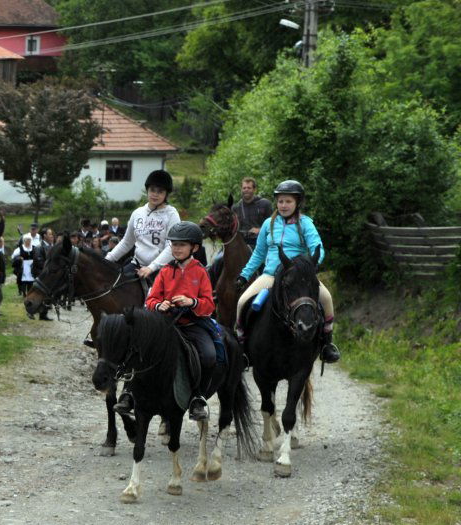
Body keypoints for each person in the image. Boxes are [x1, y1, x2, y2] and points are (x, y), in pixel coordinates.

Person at [115, 222, 218, 421]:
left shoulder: (201, 272)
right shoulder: (164, 271)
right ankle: (128, 393)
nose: (176, 249)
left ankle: (198, 397)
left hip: (192, 324)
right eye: (174, 244)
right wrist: (159, 305)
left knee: (209, 355)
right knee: (137, 347)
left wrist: (192, 302)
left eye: (182, 245)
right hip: (165, 324)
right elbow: (151, 299)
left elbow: (209, 305)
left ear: (194, 248)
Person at [234, 180, 340, 363]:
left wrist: (311, 266)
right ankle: (242, 346)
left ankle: (327, 345)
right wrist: (244, 275)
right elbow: (259, 253)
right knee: (242, 302)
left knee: (327, 299)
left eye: (288, 201)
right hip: (270, 275)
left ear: (297, 203)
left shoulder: (306, 224)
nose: (283, 205)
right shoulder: (268, 224)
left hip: (298, 276)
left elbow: (318, 248)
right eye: (280, 201)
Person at [106, 169, 180, 285]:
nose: (155, 194)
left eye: (160, 191)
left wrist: (151, 268)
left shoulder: (171, 214)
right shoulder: (137, 213)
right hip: (136, 265)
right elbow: (126, 243)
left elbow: (171, 247)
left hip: (161, 268)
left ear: (166, 194)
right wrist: (107, 259)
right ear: (147, 190)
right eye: (152, 190)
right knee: (114, 286)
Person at [232, 177, 272, 248]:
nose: (246, 190)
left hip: (261, 241)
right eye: (244, 188)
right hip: (242, 243)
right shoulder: (236, 207)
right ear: (241, 189)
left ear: (254, 189)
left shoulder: (265, 204)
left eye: (249, 188)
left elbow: (273, 224)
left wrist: (260, 230)